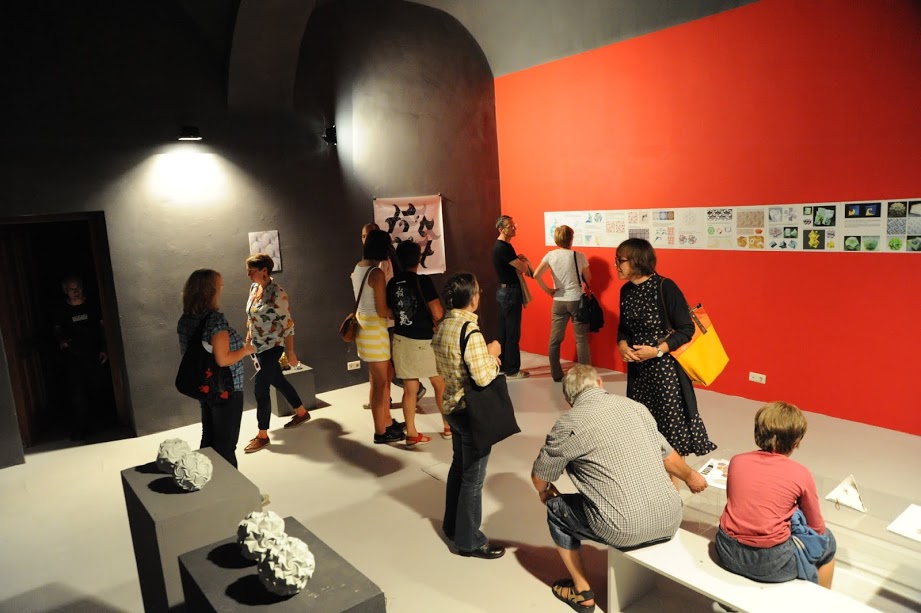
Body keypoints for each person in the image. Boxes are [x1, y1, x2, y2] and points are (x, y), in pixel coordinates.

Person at [531, 364, 708, 612]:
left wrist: (545, 491)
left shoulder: (567, 425)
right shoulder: (636, 408)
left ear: (568, 399)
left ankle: (582, 593)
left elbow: (540, 478)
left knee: (555, 510)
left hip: (623, 529)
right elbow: (668, 457)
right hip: (671, 517)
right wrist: (691, 477)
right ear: (600, 384)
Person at [615, 238, 715, 481]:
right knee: (644, 427)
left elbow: (686, 329)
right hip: (639, 374)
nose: (616, 265)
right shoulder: (626, 291)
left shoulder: (665, 287)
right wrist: (622, 345)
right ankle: (653, 482)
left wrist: (657, 350)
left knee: (671, 430)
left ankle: (673, 490)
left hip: (666, 372)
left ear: (637, 261)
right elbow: (623, 328)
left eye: (620, 260)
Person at [716, 402, 836, 589]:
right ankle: (820, 601)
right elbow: (817, 527)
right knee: (829, 541)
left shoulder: (737, 461)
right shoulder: (801, 473)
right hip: (772, 562)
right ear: (796, 442)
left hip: (726, 550)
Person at [432, 272, 505, 559]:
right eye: (478, 291)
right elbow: (483, 377)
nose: (479, 294)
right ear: (472, 299)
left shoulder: (443, 326)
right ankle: (469, 540)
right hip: (471, 412)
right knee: (473, 479)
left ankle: (453, 526)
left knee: (458, 469)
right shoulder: (470, 332)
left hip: (452, 407)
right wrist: (492, 354)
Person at [178, 269, 256, 468]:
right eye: (219, 286)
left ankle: (205, 478)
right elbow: (223, 360)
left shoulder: (186, 319)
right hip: (226, 389)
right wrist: (246, 350)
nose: (222, 289)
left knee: (209, 438)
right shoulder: (215, 321)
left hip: (205, 385)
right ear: (210, 291)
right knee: (226, 445)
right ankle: (230, 486)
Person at [243, 253, 310, 453]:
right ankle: (301, 412)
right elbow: (252, 316)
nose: (248, 275)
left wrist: (290, 352)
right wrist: (249, 336)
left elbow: (288, 325)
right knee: (277, 379)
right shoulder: (254, 288)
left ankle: (262, 435)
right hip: (258, 345)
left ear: (264, 271)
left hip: (273, 346)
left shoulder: (278, 294)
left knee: (260, 389)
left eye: (252, 271)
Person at [385, 240, 450, 445]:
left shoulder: (392, 283)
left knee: (409, 389)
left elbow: (390, 313)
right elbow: (437, 312)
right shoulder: (423, 281)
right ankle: (448, 426)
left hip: (402, 340)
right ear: (418, 258)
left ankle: (412, 433)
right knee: (439, 384)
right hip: (425, 341)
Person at [353, 230, 405, 444]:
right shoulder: (376, 273)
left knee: (377, 381)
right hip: (375, 332)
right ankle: (380, 431)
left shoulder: (358, 267)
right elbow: (382, 311)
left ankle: (386, 422)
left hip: (364, 329)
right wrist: (399, 311)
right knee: (380, 384)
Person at [533, 225, 592, 382]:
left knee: (555, 340)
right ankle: (585, 375)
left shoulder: (550, 255)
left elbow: (536, 274)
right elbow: (588, 277)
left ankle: (556, 373)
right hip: (576, 300)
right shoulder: (579, 255)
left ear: (556, 239)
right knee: (581, 339)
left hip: (558, 300)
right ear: (571, 239)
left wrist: (548, 290)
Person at [53, 275, 109, 440]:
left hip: (94, 353)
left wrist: (104, 348)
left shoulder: (92, 305)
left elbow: (103, 327)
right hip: (74, 356)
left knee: (97, 388)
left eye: (77, 287)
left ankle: (102, 424)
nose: (75, 291)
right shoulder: (61, 309)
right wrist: (62, 341)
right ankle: (81, 428)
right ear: (65, 291)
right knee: (77, 393)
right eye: (71, 289)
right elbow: (57, 330)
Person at [492, 215, 532, 379]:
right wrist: (524, 263)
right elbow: (523, 268)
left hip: (504, 292)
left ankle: (502, 366)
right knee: (512, 332)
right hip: (510, 293)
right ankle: (513, 370)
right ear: (501, 229)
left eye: (514, 225)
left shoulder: (502, 246)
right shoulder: (503, 248)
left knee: (504, 331)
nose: (514, 228)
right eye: (510, 226)